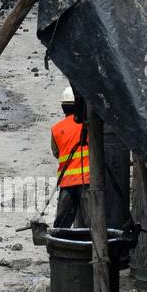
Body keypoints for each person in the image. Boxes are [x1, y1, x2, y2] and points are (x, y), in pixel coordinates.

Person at [51, 87, 89, 228]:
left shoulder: (56, 129)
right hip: (87, 181)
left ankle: (59, 246)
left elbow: (56, 153)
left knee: (61, 225)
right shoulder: (87, 126)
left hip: (67, 183)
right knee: (93, 223)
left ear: (63, 107)